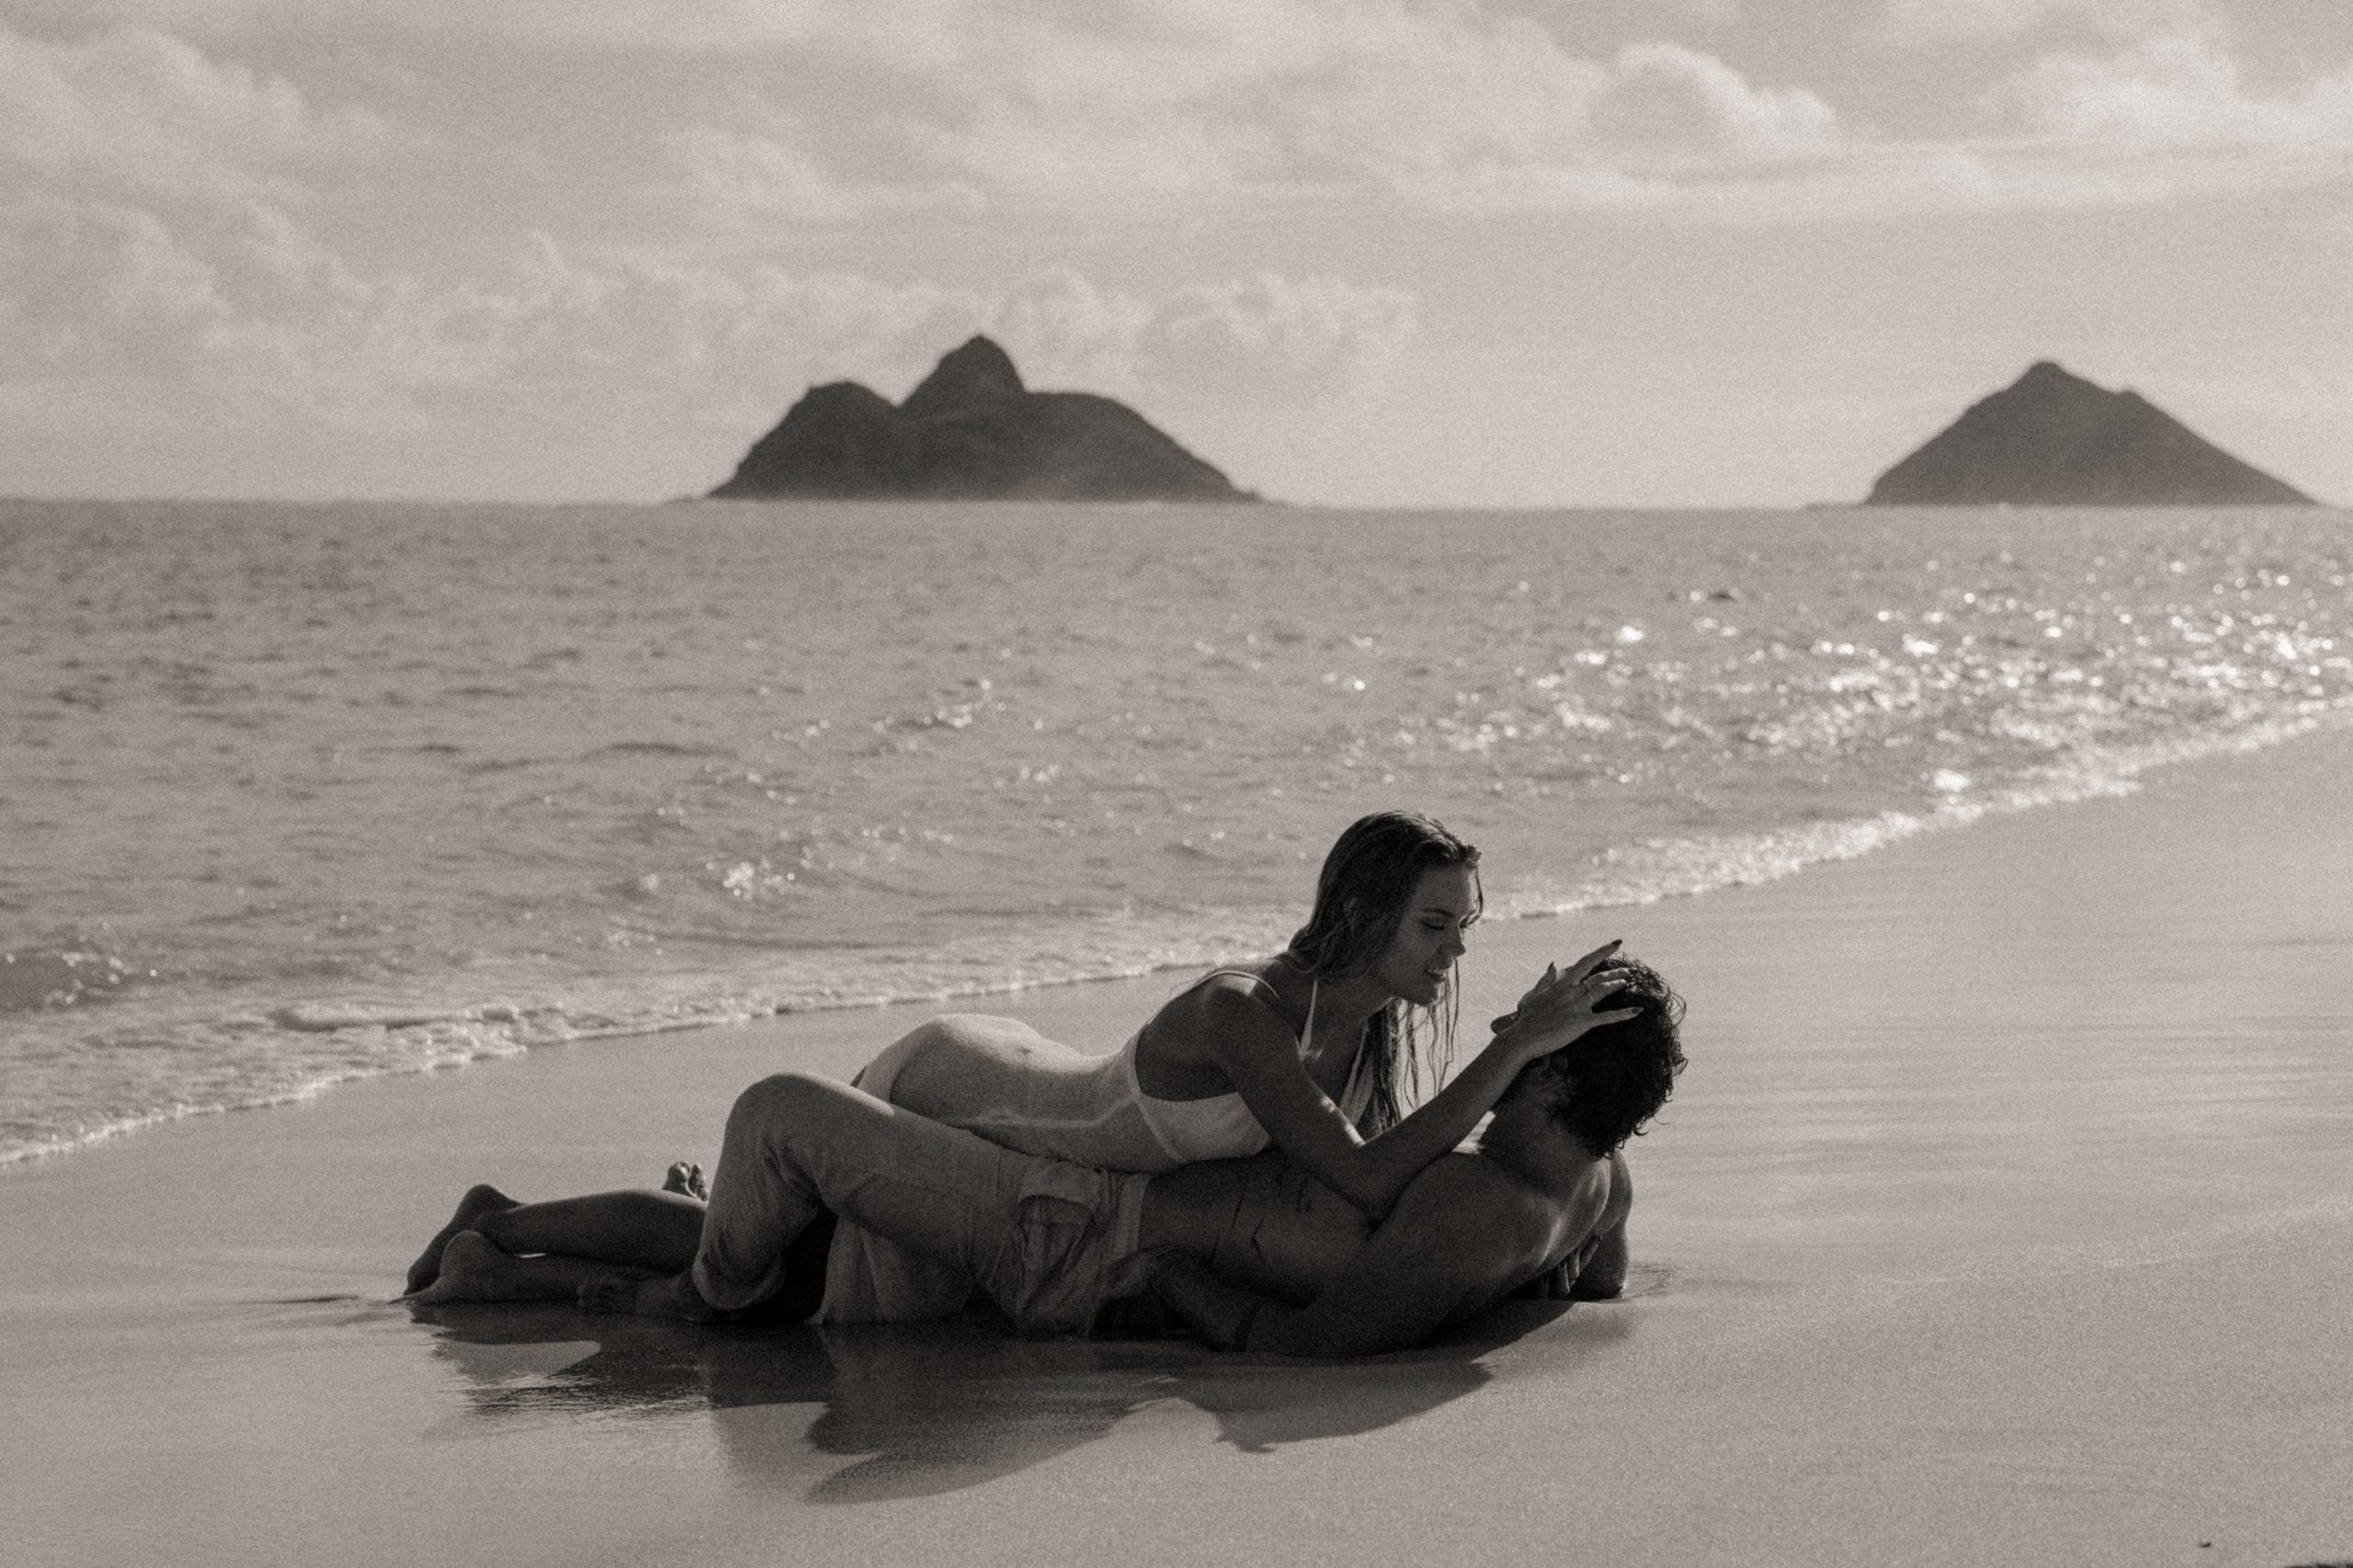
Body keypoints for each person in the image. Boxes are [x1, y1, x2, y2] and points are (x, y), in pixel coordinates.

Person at [404, 957, 1686, 1358]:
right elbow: (1600, 1280)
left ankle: (506, 1241)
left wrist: (1188, 1294)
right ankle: (504, 1241)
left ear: (1563, 1075)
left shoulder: (1469, 1199)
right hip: (1080, 1215)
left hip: (1084, 1242)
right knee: (797, 1262)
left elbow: (1317, 1342)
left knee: (788, 1213)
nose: (1507, 1027)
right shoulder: (1592, 1179)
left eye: (1531, 1028)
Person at [847, 810, 1634, 1222]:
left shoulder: (1372, 1022)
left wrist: (1525, 1060)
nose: (1454, 950)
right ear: (1362, 913)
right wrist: (1512, 1054)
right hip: (964, 1084)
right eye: (1434, 926)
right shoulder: (1241, 1011)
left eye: (1464, 928)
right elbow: (1363, 1181)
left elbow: (1389, 1164)